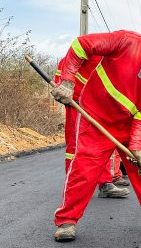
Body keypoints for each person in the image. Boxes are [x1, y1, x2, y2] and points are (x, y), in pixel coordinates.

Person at [50, 29, 141, 242]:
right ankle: (67, 221)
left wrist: (137, 147)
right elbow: (81, 45)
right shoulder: (128, 42)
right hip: (97, 118)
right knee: (85, 167)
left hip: (129, 125)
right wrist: (67, 81)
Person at [53, 56, 130, 198]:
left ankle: (105, 184)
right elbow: (60, 80)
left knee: (103, 145)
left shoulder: (112, 59)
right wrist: (64, 92)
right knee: (75, 146)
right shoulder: (77, 55)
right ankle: (72, 186)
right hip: (76, 104)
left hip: (97, 107)